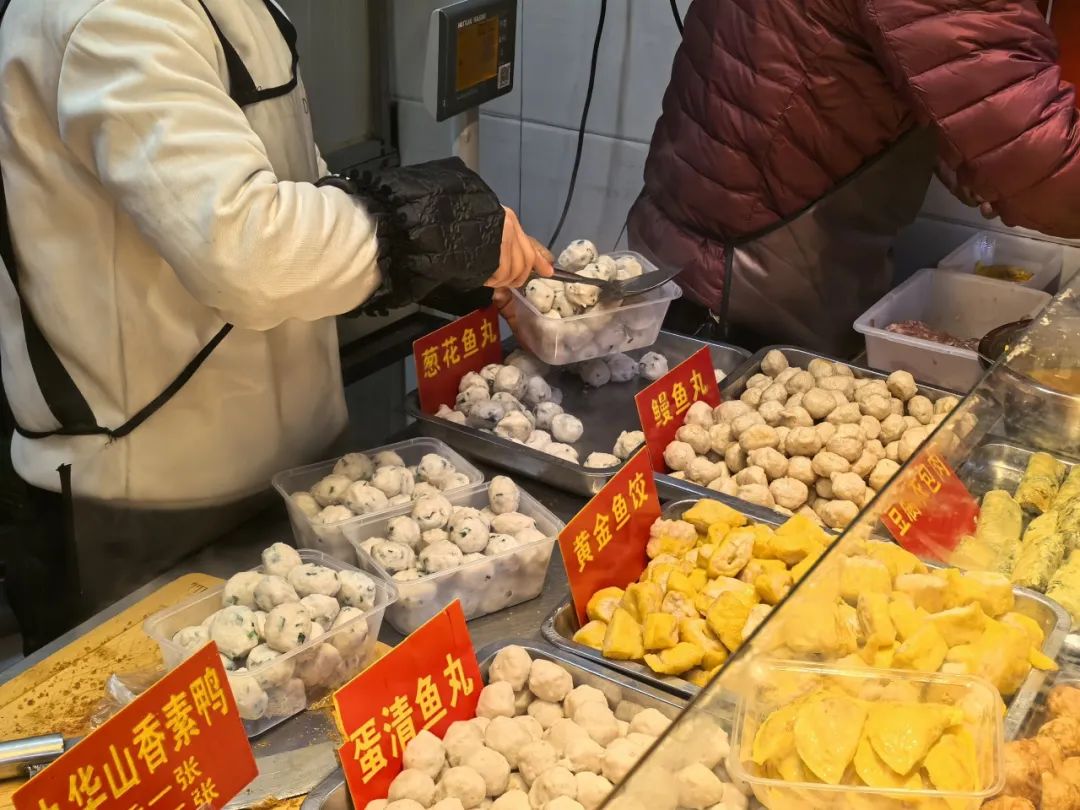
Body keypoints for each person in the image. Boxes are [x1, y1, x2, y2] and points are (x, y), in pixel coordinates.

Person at [0, 0, 551, 651]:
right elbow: (245, 252)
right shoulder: (109, 14)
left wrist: (443, 259)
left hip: (297, 475)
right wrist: (428, 231)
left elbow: (293, 191)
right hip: (150, 505)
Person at [629, 0, 1080, 356]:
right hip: (742, 284)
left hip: (695, 245)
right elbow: (1044, 174)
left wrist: (984, 159)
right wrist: (1005, 170)